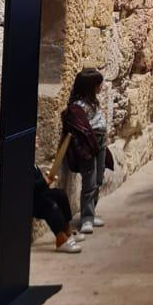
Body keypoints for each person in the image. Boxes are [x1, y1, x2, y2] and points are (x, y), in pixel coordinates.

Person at [63, 68, 113, 235]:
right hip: (88, 146)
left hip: (100, 142)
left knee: (98, 179)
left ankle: (91, 213)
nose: (101, 87)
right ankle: (86, 218)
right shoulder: (78, 107)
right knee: (89, 182)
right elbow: (81, 130)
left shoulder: (93, 102)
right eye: (98, 84)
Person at [33, 166, 83, 253]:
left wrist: (47, 180)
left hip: (39, 194)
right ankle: (61, 240)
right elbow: (26, 187)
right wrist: (44, 181)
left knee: (60, 195)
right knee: (49, 204)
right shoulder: (20, 162)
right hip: (30, 202)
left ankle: (67, 231)